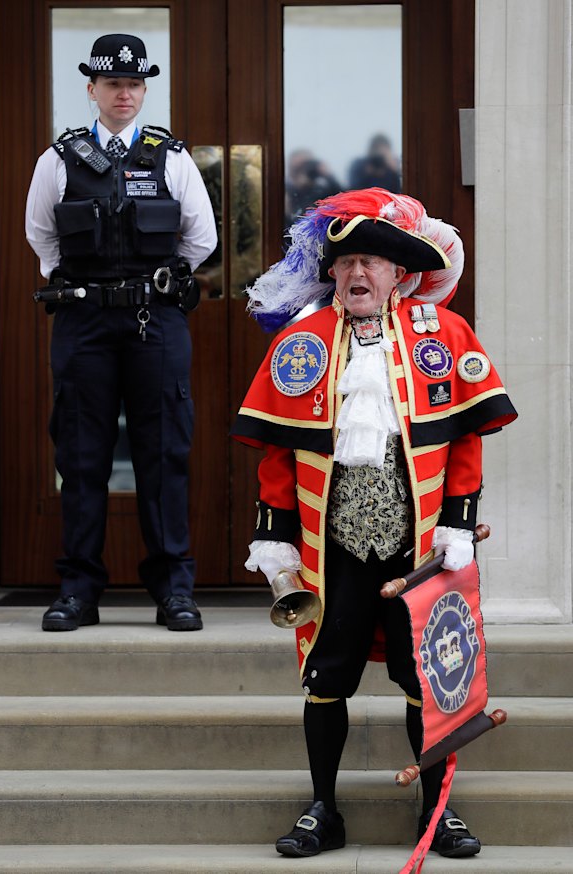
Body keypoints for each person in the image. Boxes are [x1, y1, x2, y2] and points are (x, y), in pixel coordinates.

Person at [232, 187, 517, 859]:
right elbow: (278, 450)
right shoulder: (302, 341)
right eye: (348, 261)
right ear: (331, 271)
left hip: (420, 547)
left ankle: (435, 813)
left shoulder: (442, 335)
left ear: (399, 271)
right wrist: (273, 535)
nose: (360, 274)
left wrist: (458, 521)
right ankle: (323, 809)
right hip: (331, 551)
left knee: (430, 680)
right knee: (327, 676)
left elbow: (466, 439)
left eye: (374, 261)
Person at [25, 34, 217, 632]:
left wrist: (148, 283)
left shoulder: (172, 158)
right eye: (113, 84)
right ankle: (78, 591)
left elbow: (200, 238)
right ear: (93, 90)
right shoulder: (57, 160)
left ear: (144, 90)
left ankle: (173, 590)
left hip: (154, 319)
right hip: (83, 321)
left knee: (164, 455)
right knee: (82, 458)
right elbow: (42, 237)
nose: (125, 93)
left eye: (134, 84)